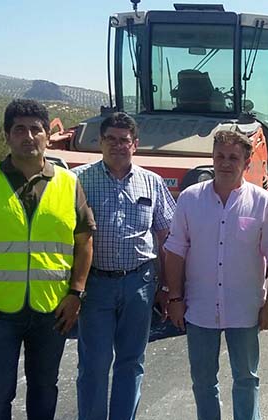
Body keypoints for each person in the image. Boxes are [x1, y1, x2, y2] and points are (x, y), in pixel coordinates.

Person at [0, 99, 95, 420]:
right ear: (7, 136)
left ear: (47, 136)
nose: (28, 136)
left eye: (36, 129)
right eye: (19, 129)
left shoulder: (69, 183)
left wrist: (76, 294)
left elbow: (84, 243)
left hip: (52, 310)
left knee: (45, 390)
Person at [166, 129, 268, 420]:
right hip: (200, 309)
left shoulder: (262, 202)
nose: (226, 163)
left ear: (246, 162)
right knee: (203, 382)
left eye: (234, 157)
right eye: (220, 156)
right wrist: (174, 297)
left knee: (246, 379)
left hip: (245, 310)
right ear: (212, 159)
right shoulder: (190, 199)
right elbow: (176, 250)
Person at [73, 112, 176, 420]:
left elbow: (166, 237)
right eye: (111, 140)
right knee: (94, 363)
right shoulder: (77, 180)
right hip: (95, 285)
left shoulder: (152, 182)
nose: (118, 146)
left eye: (124, 140)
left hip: (139, 283)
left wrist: (167, 287)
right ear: (100, 142)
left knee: (132, 361)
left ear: (135, 145)